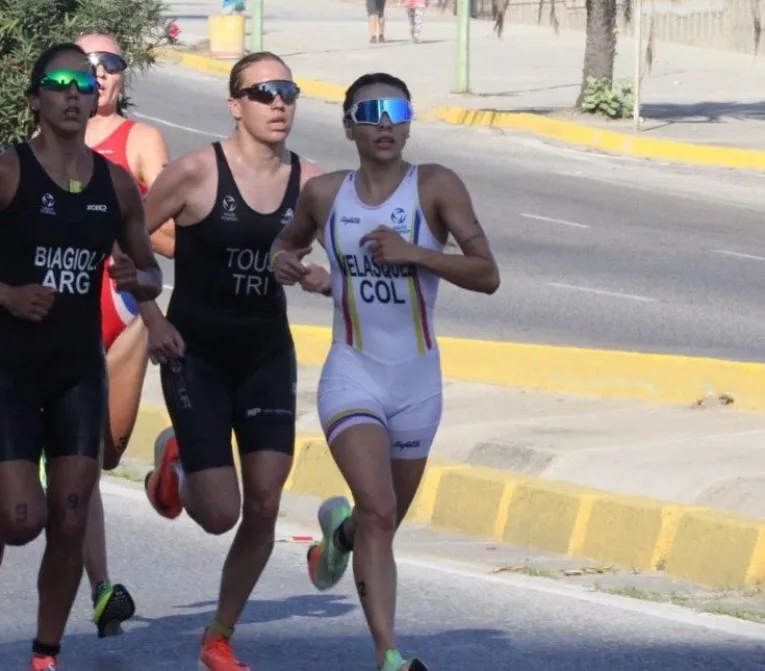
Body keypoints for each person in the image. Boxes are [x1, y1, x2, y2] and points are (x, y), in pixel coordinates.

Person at [0, 42, 163, 671]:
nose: (73, 93)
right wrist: (5, 293)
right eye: (58, 83)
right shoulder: (7, 173)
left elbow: (149, 270)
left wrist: (141, 282)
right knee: (26, 520)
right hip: (10, 365)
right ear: (36, 98)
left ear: (95, 97)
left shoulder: (115, 185)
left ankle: (45, 653)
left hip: (77, 370)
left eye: (84, 83)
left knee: (70, 516)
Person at [270, 72, 500, 671]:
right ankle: (389, 655)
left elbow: (487, 273)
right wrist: (287, 265)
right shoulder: (324, 195)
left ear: (407, 121)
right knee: (378, 507)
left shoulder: (436, 186)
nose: (384, 123)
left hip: (418, 382)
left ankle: (337, 539)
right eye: (370, 112)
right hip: (353, 373)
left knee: (382, 521)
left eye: (396, 110)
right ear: (349, 125)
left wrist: (415, 253)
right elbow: (284, 246)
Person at [135, 51, 324, 671]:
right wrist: (154, 318)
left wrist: (319, 276)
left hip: (267, 352)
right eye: (263, 92)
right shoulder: (194, 173)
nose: (278, 103)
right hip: (196, 354)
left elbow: (349, 263)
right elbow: (124, 242)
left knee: (265, 502)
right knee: (221, 514)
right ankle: (178, 462)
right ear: (235, 104)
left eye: (287, 92)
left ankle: (219, 633)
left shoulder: (313, 184)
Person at [51, 29, 175, 639]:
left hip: (123, 316)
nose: (97, 74)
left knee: (106, 454)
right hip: (60, 321)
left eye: (110, 64)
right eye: (84, 65)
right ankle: (102, 590)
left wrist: (133, 231)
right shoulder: (41, 146)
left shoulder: (141, 141)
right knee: (77, 467)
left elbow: (181, 232)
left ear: (124, 76)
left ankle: (163, 471)